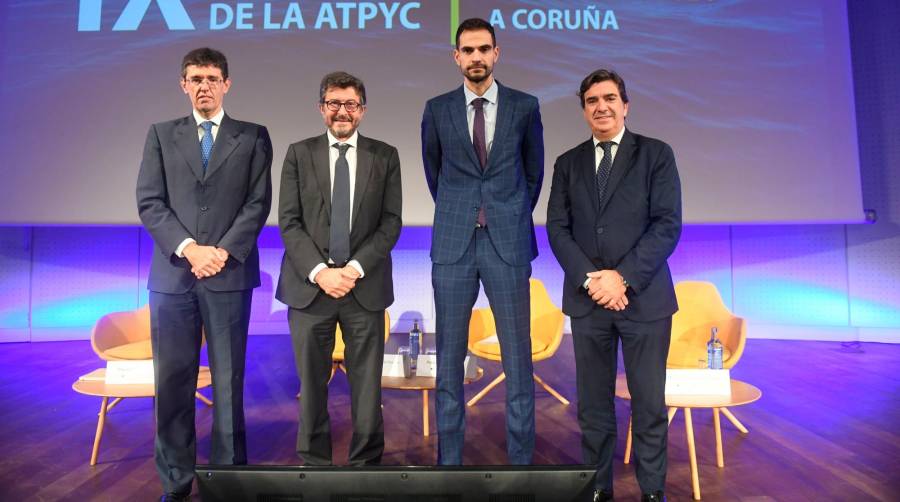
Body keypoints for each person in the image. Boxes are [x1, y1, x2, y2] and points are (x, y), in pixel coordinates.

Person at [136, 47, 272, 502]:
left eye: (212, 78)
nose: (204, 86)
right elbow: (150, 202)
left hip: (229, 276)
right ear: (183, 84)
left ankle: (228, 481)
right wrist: (192, 249)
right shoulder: (160, 134)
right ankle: (175, 481)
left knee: (229, 382)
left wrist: (221, 253)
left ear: (227, 83)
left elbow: (257, 205)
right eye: (195, 78)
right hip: (174, 277)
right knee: (173, 383)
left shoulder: (253, 136)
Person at [546, 69, 682, 502]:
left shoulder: (656, 154)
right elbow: (557, 228)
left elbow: (666, 225)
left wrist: (621, 278)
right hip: (589, 303)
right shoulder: (567, 163)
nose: (601, 106)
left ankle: (652, 491)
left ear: (625, 104)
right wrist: (592, 280)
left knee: (648, 404)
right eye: (591, 100)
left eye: (609, 98)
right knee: (593, 407)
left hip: (643, 300)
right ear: (584, 109)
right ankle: (598, 488)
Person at [421, 17, 544, 465]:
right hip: (453, 244)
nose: (476, 57)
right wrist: (464, 212)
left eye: (483, 49)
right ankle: (448, 464)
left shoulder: (525, 106)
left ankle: (521, 464)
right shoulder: (437, 108)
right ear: (457, 57)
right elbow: (434, 173)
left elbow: (534, 173)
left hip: (507, 243)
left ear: (497, 53)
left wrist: (504, 212)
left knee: (517, 360)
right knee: (449, 360)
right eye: (467, 50)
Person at [276, 71, 402, 466]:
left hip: (363, 289)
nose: (342, 111)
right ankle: (314, 465)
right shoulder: (299, 153)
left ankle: (366, 466)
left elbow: (391, 222)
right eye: (334, 103)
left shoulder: (385, 156)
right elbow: (289, 221)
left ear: (362, 110)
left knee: (367, 389)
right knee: (312, 387)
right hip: (310, 288)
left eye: (350, 104)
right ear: (321, 108)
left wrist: (353, 270)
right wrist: (321, 271)